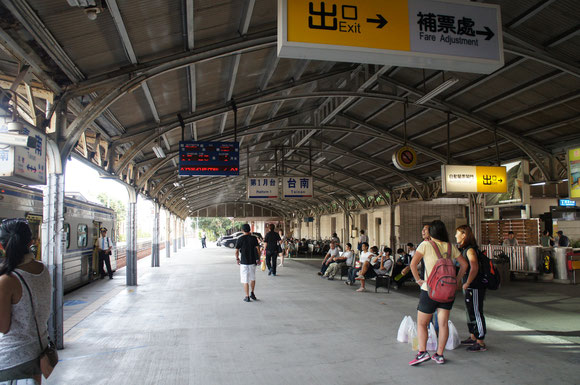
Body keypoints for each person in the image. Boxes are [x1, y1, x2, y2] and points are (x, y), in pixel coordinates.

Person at [408, 220, 468, 366]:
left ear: (432, 232)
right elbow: (465, 264)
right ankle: (439, 355)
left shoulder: (426, 245)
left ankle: (422, 353)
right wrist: (457, 280)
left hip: (429, 291)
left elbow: (413, 264)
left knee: (422, 324)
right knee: (443, 324)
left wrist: (418, 280)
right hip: (448, 291)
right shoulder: (450, 246)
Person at [0, 218, 52, 384]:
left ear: (1, 246)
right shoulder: (43, 269)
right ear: (30, 242)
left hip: (12, 360)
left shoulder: (7, 280)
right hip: (38, 352)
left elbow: (3, 327)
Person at [456, 225, 487, 352]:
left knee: (476, 312)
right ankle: (473, 336)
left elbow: (474, 267)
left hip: (474, 286)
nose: (455, 236)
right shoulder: (465, 249)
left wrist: (468, 282)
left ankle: (480, 342)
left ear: (464, 235)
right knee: (470, 311)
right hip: (470, 286)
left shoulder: (470, 250)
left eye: (457, 233)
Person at [235, 224, 261, 302]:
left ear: (242, 230)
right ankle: (252, 293)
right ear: (249, 230)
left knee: (245, 279)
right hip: (252, 262)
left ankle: (247, 296)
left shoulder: (240, 239)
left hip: (244, 262)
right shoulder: (254, 238)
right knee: (252, 278)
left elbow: (236, 251)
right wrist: (258, 259)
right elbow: (258, 250)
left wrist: (237, 259)